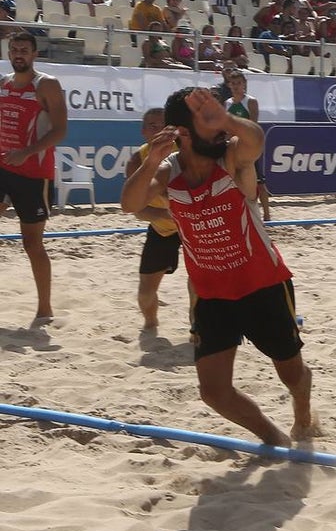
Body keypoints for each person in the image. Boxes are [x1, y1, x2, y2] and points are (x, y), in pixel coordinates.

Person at [121, 87, 318, 445]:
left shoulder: (230, 156)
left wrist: (226, 119)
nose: (217, 128)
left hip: (263, 284)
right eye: (206, 121)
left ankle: (302, 412)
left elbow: (255, 140)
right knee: (213, 392)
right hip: (212, 295)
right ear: (183, 131)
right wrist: (151, 161)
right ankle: (275, 438)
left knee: (291, 374)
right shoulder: (168, 171)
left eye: (216, 119)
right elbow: (129, 203)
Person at [0, 32, 68, 321]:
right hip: (3, 168)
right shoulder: (3, 84)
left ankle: (44, 307)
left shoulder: (47, 85)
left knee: (32, 244)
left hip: (33, 174)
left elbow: (60, 130)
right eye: (14, 49)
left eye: (24, 50)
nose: (18, 54)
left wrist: (28, 151)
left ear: (34, 54)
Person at [124, 108, 195, 330]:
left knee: (200, 283)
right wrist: (166, 213)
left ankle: (197, 325)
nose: (160, 130)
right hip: (163, 227)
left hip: (194, 225)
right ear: (144, 131)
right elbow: (136, 210)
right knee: (146, 292)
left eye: (164, 125)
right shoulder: (137, 160)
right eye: (153, 126)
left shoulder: (186, 153)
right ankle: (151, 323)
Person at [223, 70, 271, 221]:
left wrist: (237, 133)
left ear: (244, 84)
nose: (236, 86)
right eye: (233, 83)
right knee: (233, 179)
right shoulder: (227, 103)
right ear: (229, 85)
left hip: (248, 145)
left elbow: (253, 125)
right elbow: (226, 126)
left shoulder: (250, 101)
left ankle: (267, 215)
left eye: (239, 83)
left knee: (259, 181)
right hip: (232, 146)